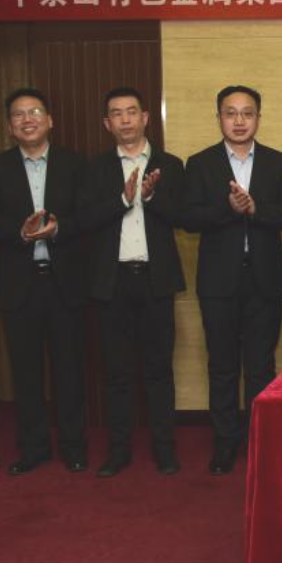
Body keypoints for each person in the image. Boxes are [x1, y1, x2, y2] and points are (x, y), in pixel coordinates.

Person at [182, 85, 282, 475]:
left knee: (260, 366)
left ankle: (258, 444)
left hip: (265, 279)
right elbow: (189, 218)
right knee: (221, 366)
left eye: (247, 113)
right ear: (219, 117)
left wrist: (255, 208)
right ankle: (224, 443)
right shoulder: (200, 163)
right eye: (230, 113)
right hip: (218, 282)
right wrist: (229, 208)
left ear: (258, 118)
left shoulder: (279, 163)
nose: (239, 121)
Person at [77, 87, 186, 477]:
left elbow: (184, 217)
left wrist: (151, 197)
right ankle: (119, 450)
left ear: (145, 118)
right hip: (113, 282)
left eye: (131, 112)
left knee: (159, 370)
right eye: (116, 113)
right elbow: (83, 219)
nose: (125, 119)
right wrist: (124, 200)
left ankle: (165, 450)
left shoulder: (170, 165)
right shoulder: (95, 169)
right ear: (107, 123)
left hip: (156, 280)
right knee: (117, 373)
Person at [0, 88, 89, 476]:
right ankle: (33, 448)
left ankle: (74, 447)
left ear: (50, 120)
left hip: (65, 284)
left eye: (35, 112)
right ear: (10, 126)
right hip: (19, 285)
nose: (27, 119)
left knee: (69, 371)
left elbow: (87, 216)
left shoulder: (74, 164)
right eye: (19, 114)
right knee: (25, 373)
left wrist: (58, 229)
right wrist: (20, 233)